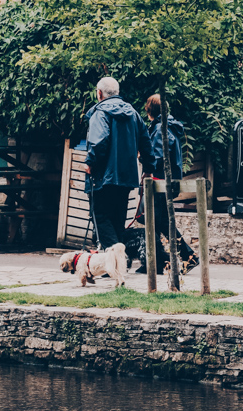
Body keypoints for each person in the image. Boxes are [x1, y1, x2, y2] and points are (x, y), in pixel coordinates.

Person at [82, 76, 153, 254]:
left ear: (99, 93)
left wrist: (90, 162)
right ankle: (118, 263)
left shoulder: (100, 113)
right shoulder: (134, 114)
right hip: (126, 177)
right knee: (117, 219)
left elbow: (99, 142)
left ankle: (116, 260)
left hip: (103, 177)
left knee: (100, 217)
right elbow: (146, 143)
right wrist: (149, 168)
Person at [131, 94, 198, 273]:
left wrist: (142, 157)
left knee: (159, 222)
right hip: (165, 182)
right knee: (157, 221)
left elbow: (159, 157)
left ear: (149, 110)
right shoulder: (167, 126)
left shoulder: (161, 128)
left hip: (160, 182)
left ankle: (186, 256)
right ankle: (159, 262)